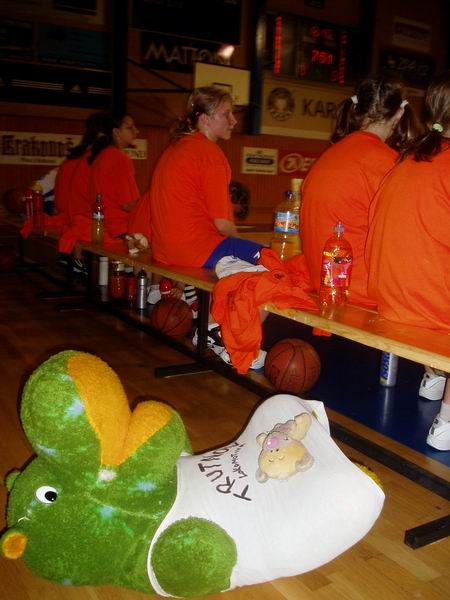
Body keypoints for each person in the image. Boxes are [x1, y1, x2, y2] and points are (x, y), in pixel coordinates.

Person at [131, 87, 264, 368]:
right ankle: (228, 338)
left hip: (165, 251)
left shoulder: (174, 148)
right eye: (226, 114)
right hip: (193, 249)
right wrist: (248, 249)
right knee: (272, 267)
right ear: (205, 118)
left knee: (244, 259)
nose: (233, 121)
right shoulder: (209, 154)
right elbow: (223, 225)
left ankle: (211, 325)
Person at [365, 71, 450, 451]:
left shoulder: (407, 157)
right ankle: (446, 420)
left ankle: (435, 374)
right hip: (424, 307)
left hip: (389, 298)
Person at [300, 71, 418, 307]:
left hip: (322, 284)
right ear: (399, 113)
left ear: (356, 108)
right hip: (361, 293)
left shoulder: (328, 156)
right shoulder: (388, 164)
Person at [88, 112, 140, 238]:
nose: (136, 131)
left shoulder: (101, 155)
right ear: (116, 132)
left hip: (100, 226)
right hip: (119, 228)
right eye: (130, 127)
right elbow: (128, 204)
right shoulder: (119, 158)